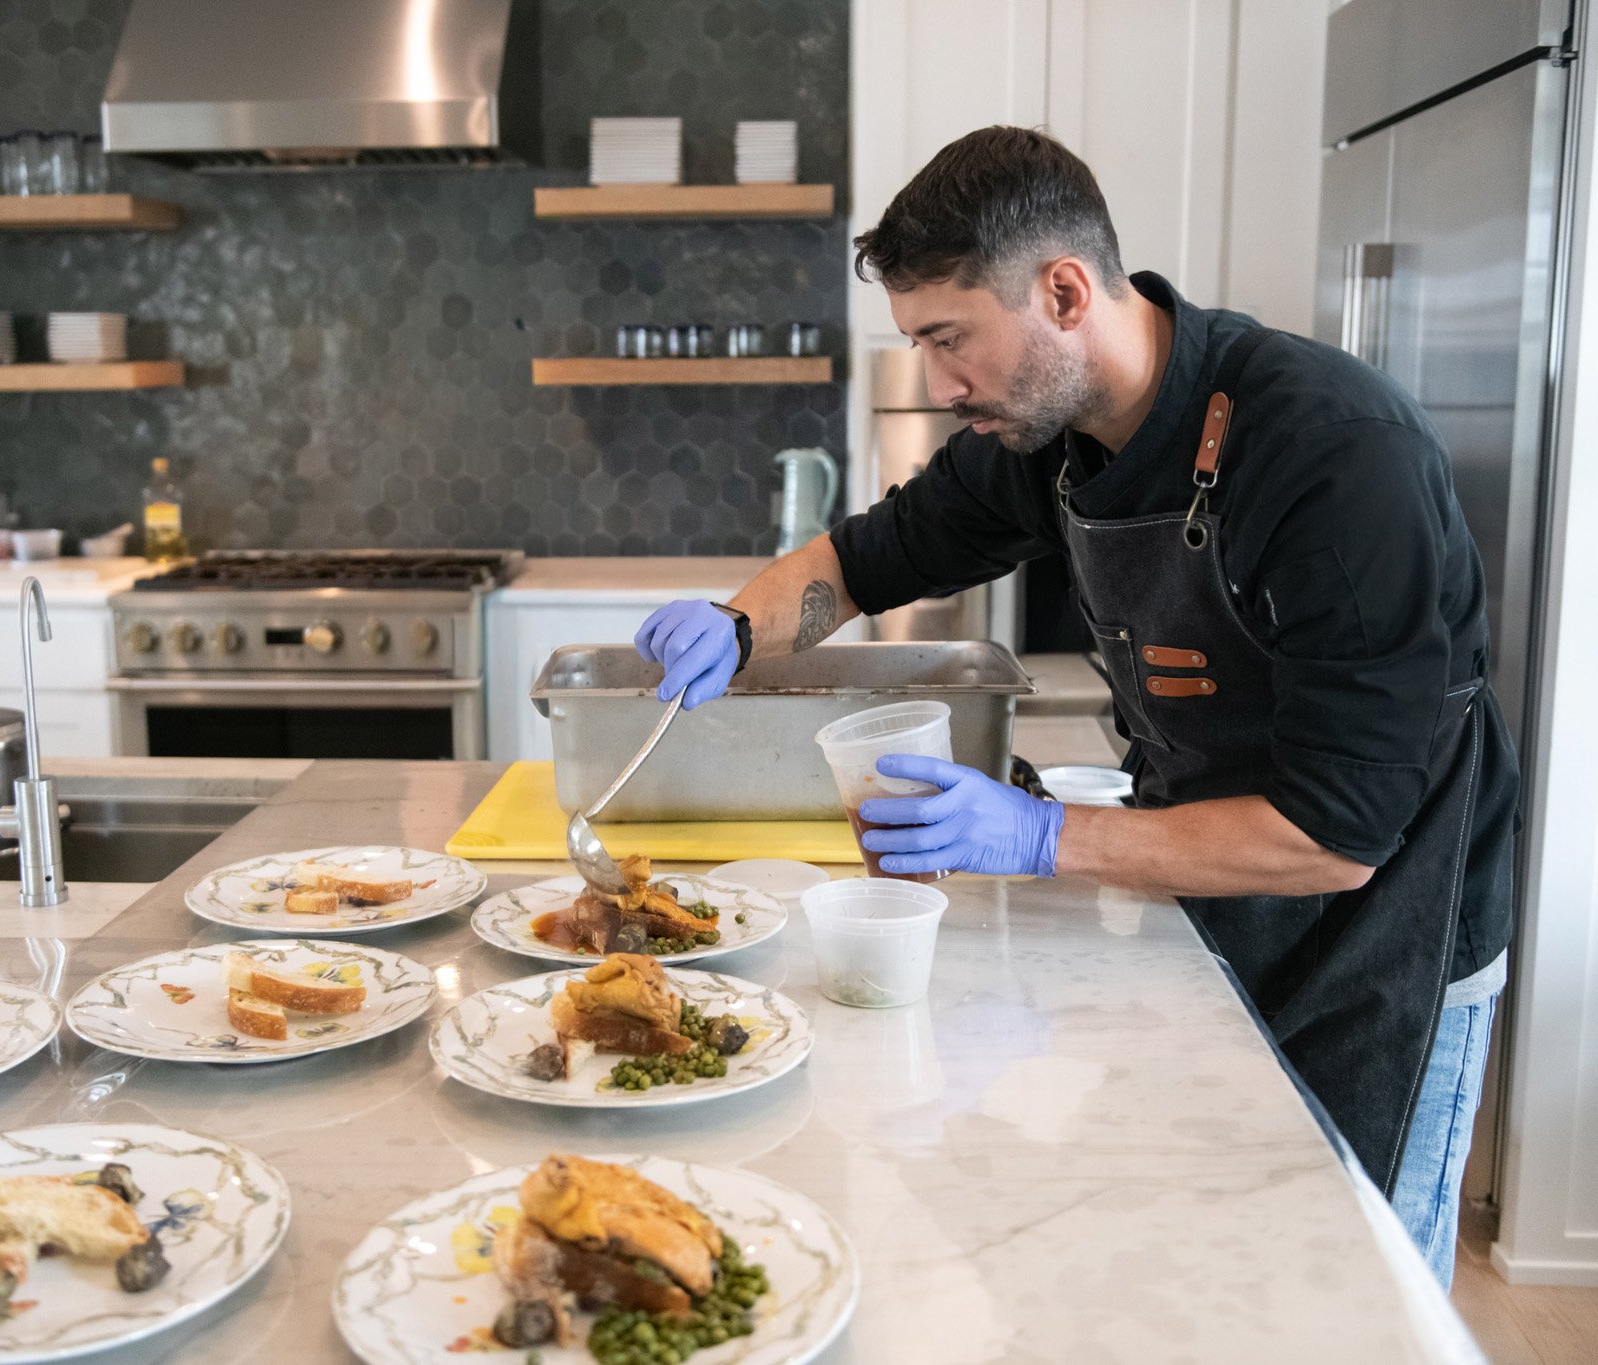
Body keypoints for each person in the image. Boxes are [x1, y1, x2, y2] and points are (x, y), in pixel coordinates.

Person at [631, 126, 1517, 1288]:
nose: (941, 386)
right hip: (1201, 890)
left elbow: (1335, 835)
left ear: (1061, 292)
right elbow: (856, 565)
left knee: (1357, 1292)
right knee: (1211, 1271)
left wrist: (1036, 835)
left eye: (949, 341)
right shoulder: (1040, 439)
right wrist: (739, 626)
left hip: (1383, 934)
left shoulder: (1333, 456)